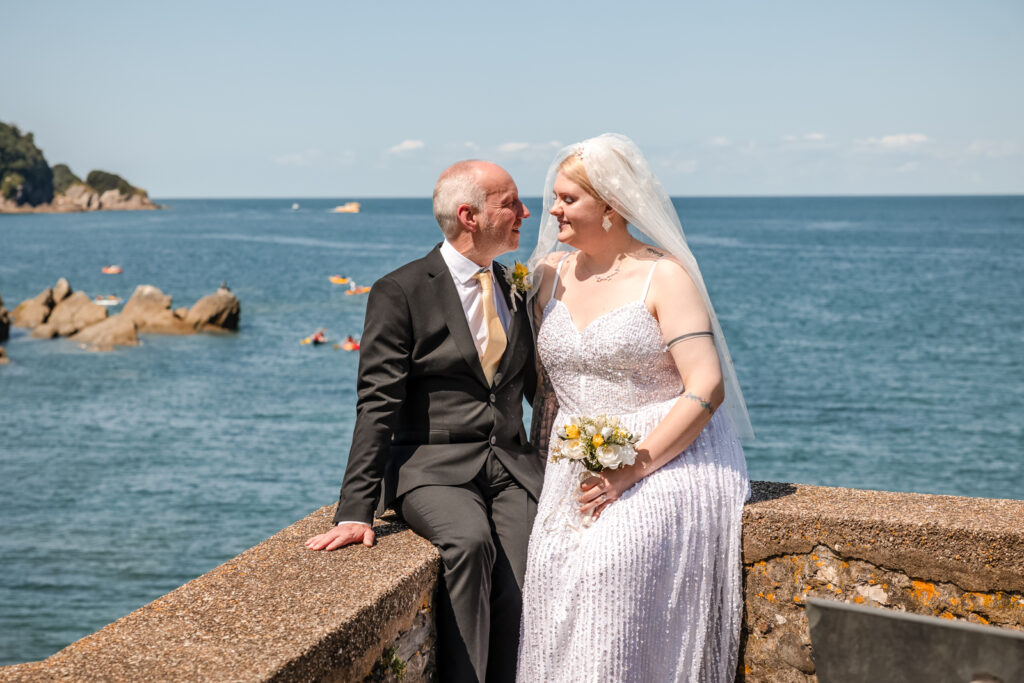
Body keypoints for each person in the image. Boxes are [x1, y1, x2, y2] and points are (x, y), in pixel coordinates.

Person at [516, 134, 753, 682]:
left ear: (612, 207)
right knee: (550, 571)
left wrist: (635, 466)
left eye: (568, 199)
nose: (553, 210)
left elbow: (706, 386)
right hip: (574, 455)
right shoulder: (547, 275)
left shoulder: (663, 276)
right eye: (555, 196)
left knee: (615, 560)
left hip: (666, 453)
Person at [306, 160, 542, 683]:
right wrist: (355, 509)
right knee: (469, 543)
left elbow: (538, 391)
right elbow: (377, 402)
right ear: (470, 216)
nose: (526, 212)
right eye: (511, 203)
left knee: (527, 569)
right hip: (431, 467)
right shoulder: (401, 290)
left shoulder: (515, 285)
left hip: (510, 464)